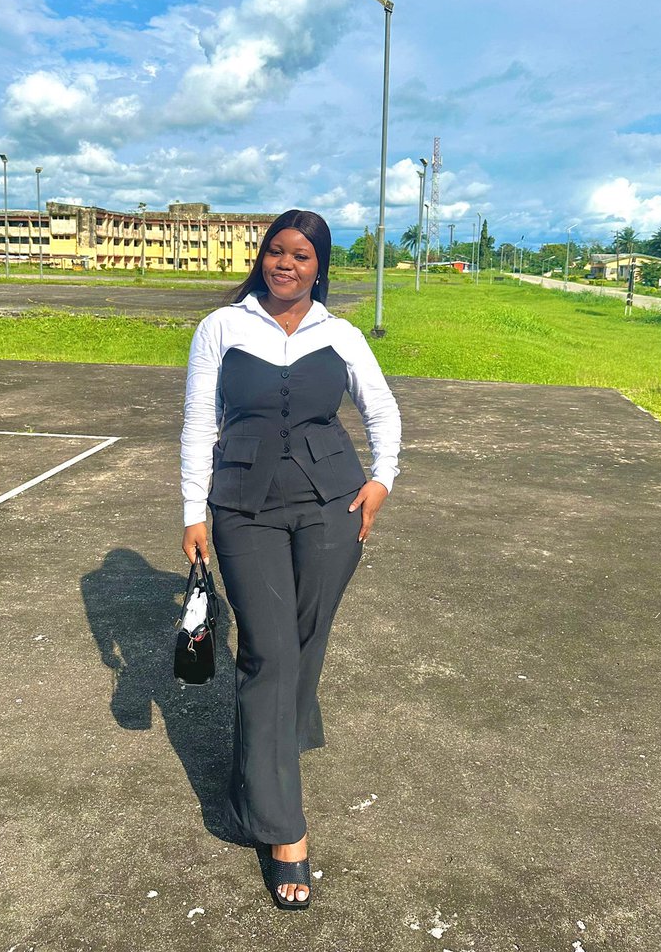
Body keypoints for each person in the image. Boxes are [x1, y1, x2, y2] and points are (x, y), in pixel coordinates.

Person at [180, 209, 401, 909]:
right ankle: (284, 830)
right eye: (276, 251)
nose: (286, 264)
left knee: (306, 645)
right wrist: (192, 510)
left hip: (332, 505)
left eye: (301, 256)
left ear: (319, 265)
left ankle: (259, 760)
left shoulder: (340, 336)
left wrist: (380, 480)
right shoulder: (221, 328)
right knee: (270, 653)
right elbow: (198, 422)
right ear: (262, 258)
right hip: (244, 506)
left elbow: (383, 412)